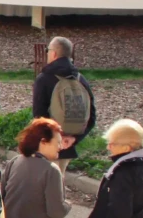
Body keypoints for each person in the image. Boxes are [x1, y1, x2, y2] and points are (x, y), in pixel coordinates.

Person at [32, 36, 95, 175]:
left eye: (47, 50)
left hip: (48, 146)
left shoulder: (44, 79)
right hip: (68, 146)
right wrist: (73, 138)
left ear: (53, 53)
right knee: (59, 183)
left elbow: (39, 115)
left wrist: (50, 140)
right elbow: (92, 116)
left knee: (44, 188)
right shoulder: (80, 79)